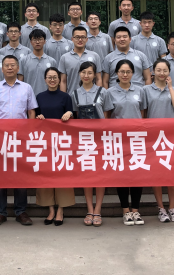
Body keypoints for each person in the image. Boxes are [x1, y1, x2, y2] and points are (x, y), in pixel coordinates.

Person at [0, 55, 38, 227]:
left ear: (18, 68)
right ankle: (0, 212)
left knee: (20, 175)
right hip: (0, 138)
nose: (9, 68)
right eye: (6, 65)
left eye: (12, 65)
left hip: (20, 138)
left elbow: (31, 112)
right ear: (2, 69)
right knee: (0, 175)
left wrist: (29, 134)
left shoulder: (27, 88)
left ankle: (21, 211)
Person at [71, 61, 113, 228]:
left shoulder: (103, 92)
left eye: (89, 72)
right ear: (79, 74)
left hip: (101, 140)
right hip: (84, 141)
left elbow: (108, 115)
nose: (86, 75)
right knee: (87, 175)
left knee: (100, 175)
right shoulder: (74, 94)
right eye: (83, 72)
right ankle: (89, 209)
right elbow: (74, 117)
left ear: (95, 75)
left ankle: (98, 209)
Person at [142, 59, 174, 224]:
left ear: (169, 72)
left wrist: (170, 87)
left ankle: (172, 207)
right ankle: (161, 207)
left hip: (170, 138)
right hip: (153, 137)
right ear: (153, 71)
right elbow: (143, 112)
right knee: (157, 174)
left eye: (165, 70)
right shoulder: (146, 90)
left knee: (171, 174)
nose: (161, 73)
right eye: (158, 70)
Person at [105, 60, 146, 226]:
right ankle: (125, 211)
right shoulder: (110, 92)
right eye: (122, 71)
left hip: (136, 139)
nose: (125, 74)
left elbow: (142, 113)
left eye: (128, 72)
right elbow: (107, 116)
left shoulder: (140, 90)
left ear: (133, 73)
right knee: (121, 175)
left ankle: (135, 210)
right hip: (118, 139)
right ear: (116, 73)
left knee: (137, 174)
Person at [35, 67, 75, 226]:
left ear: (59, 80)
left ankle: (61, 210)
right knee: (45, 174)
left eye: (55, 77)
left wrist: (70, 113)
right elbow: (34, 116)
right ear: (45, 79)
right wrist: (38, 117)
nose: (52, 80)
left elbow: (71, 114)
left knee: (62, 174)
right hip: (44, 141)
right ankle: (51, 209)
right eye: (49, 77)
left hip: (62, 141)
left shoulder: (66, 97)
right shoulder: (39, 97)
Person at [58, 26, 103, 95]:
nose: (80, 40)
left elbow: (98, 79)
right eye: (77, 37)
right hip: (71, 96)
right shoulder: (64, 57)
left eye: (83, 37)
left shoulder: (95, 56)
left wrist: (98, 96)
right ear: (72, 39)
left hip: (92, 97)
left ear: (87, 39)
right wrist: (64, 98)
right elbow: (63, 81)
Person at [19, 29, 57, 97]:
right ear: (31, 42)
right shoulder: (23, 60)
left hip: (48, 98)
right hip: (29, 97)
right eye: (34, 40)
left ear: (44, 41)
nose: (37, 42)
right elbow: (20, 81)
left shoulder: (52, 61)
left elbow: (56, 82)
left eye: (40, 39)